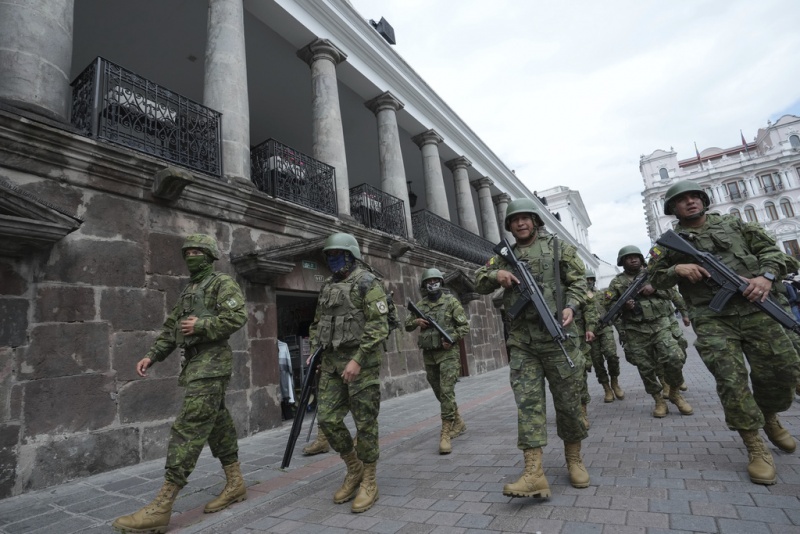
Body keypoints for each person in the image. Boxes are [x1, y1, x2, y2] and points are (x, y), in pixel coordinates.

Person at [648, 180, 799, 485]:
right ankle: (754, 445)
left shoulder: (735, 225)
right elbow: (651, 278)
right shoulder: (668, 244)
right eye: (682, 200)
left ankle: (769, 416)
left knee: (782, 370)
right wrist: (675, 270)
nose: (690, 202)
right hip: (713, 317)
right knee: (731, 381)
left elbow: (774, 253)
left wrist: (766, 277)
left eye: (694, 197)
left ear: (703, 200)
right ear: (672, 209)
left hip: (756, 308)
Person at [113, 234, 248, 532]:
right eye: (187, 252)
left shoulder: (221, 283)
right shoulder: (189, 290)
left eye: (198, 251)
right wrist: (152, 356)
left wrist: (203, 324)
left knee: (189, 426)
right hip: (196, 364)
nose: (191, 256)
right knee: (217, 423)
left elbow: (238, 316)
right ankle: (236, 483)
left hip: (212, 364)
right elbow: (172, 328)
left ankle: (163, 505)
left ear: (210, 255)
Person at [475, 198, 590, 498]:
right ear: (509, 226)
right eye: (515, 220)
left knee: (568, 403)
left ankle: (574, 459)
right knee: (528, 405)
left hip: (559, 339)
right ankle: (533, 472)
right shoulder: (504, 256)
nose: (521, 223)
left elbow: (580, 282)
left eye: (526, 218)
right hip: (523, 342)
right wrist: (495, 275)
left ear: (535, 221)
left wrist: (573, 307)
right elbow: (478, 281)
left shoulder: (557, 248)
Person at [309, 232, 389, 513]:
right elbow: (318, 322)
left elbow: (379, 326)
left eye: (337, 255)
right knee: (328, 419)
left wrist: (358, 359)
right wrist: (315, 350)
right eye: (329, 256)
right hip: (331, 363)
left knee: (365, 423)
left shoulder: (368, 283)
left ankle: (369, 479)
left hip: (361, 364)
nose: (332, 261)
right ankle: (353, 467)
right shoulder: (328, 286)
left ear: (351, 256)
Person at [606, 245, 693, 418]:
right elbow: (609, 306)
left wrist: (655, 287)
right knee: (646, 368)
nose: (633, 259)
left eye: (636, 256)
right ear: (622, 262)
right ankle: (658, 400)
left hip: (661, 325)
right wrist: (624, 307)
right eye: (628, 257)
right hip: (635, 331)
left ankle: (674, 392)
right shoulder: (617, 282)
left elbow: (672, 293)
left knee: (675, 357)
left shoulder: (654, 274)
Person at [405, 268, 471, 454]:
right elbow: (406, 324)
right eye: (429, 281)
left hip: (448, 353)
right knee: (438, 390)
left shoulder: (451, 302)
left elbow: (464, 327)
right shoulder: (421, 305)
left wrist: (452, 338)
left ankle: (445, 432)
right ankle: (458, 421)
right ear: (424, 285)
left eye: (435, 280)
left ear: (441, 283)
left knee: (447, 390)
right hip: (429, 354)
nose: (432, 283)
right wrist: (417, 322)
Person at [585, 272, 624, 403]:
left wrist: (621, 331)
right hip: (590, 333)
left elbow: (613, 311)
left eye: (591, 279)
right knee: (597, 362)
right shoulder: (579, 296)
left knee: (612, 355)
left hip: (605, 328)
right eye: (586, 279)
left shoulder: (602, 294)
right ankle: (606, 388)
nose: (589, 282)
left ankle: (615, 382)